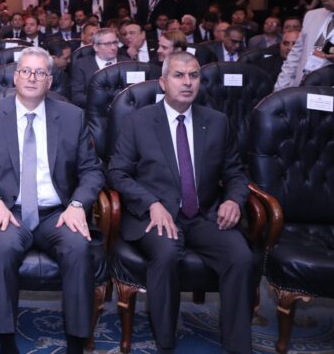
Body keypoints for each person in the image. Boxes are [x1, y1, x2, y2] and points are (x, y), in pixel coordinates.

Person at [0, 47, 104, 354]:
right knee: (3, 247)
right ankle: (6, 339)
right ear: (15, 76)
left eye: (40, 73)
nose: (32, 77)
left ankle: (77, 341)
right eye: (25, 71)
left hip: (57, 213)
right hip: (8, 210)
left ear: (49, 81)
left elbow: (92, 171)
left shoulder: (72, 116)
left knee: (78, 247)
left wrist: (78, 205)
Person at [108, 51, 253, 354]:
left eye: (194, 75)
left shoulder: (217, 122)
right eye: (179, 75)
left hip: (204, 215)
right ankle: (165, 343)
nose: (187, 82)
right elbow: (117, 173)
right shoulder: (138, 121)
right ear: (163, 82)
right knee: (167, 252)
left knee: (240, 255)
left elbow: (236, 174)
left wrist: (233, 201)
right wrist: (151, 203)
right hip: (154, 215)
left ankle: (238, 346)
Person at [275, 0, 334, 90]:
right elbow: (294, 56)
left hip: (327, 92)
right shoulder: (312, 16)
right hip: (299, 87)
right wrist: (279, 89)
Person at [70, 28, 129, 107]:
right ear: (96, 47)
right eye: (108, 44)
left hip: (123, 109)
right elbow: (76, 96)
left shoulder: (128, 63)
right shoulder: (81, 65)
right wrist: (101, 102)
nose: (113, 47)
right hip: (93, 110)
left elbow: (135, 91)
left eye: (115, 43)